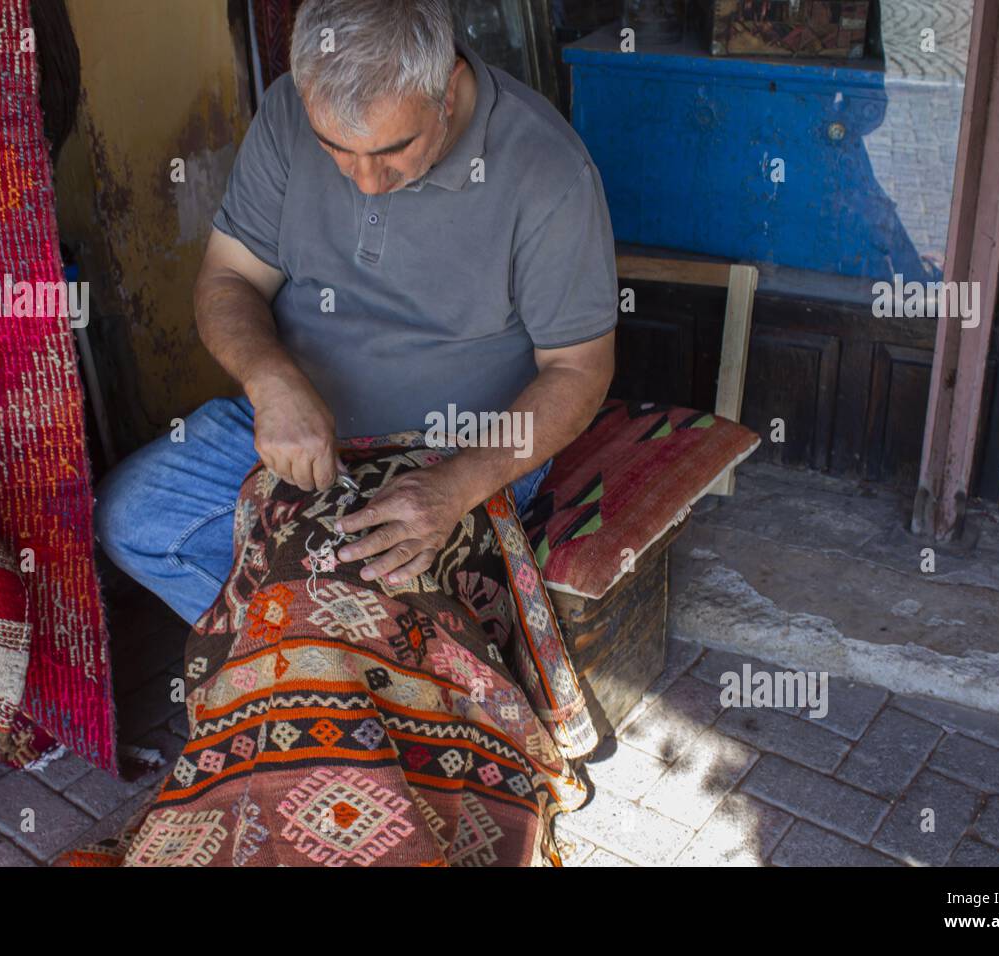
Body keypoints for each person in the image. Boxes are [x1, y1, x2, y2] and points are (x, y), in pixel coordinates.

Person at [95, 0, 618, 625]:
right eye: (336, 149)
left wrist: (455, 486)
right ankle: (285, 659)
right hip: (300, 430)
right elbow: (229, 277)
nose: (366, 181)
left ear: (447, 89)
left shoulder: (548, 172)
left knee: (361, 582)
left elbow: (580, 371)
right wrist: (273, 383)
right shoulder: (290, 110)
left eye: (393, 150)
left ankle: (317, 660)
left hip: (459, 451)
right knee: (130, 518)